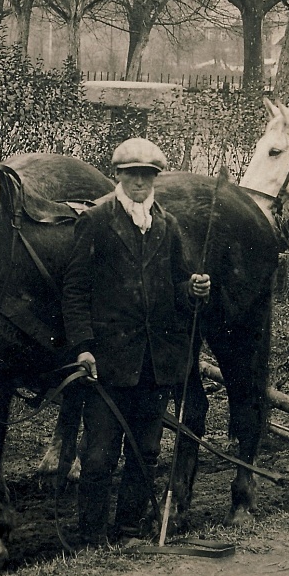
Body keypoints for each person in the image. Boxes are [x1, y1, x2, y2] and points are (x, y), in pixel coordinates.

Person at [62, 137, 212, 545]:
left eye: (148, 175)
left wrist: (194, 288)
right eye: (133, 175)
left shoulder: (167, 224)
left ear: (155, 179)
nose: (141, 183)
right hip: (108, 363)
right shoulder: (96, 221)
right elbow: (74, 290)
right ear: (119, 177)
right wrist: (83, 346)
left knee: (145, 453)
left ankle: (127, 529)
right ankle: (92, 539)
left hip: (155, 361)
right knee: (98, 456)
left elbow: (178, 285)